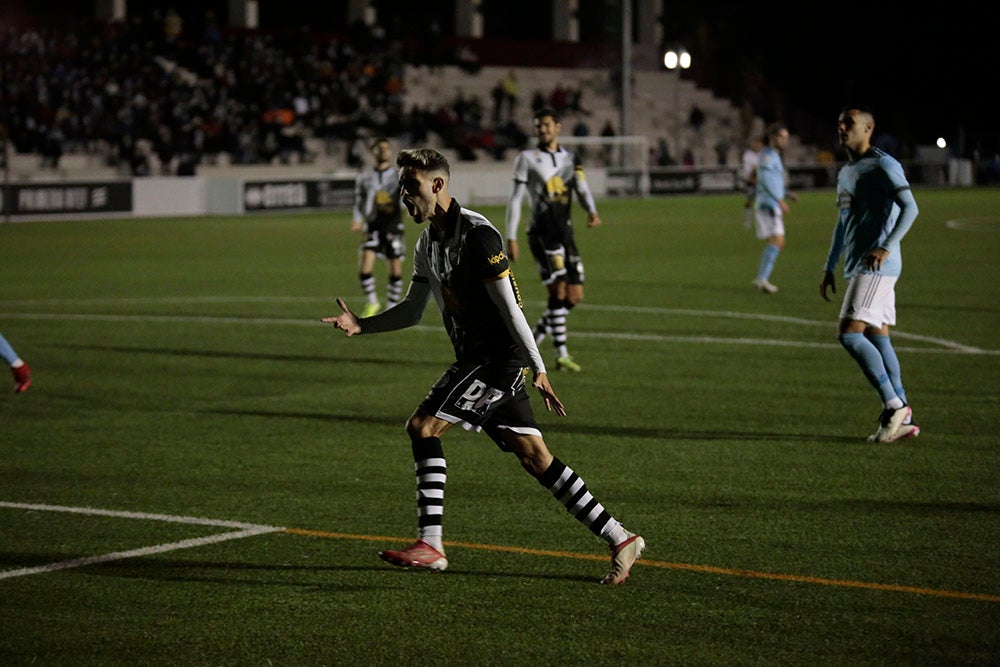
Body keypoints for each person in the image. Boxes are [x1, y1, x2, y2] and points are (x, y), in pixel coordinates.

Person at [322, 148, 644, 585]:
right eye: (401, 186)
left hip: (496, 361)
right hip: (479, 360)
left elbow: (511, 309)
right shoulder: (427, 243)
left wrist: (538, 367)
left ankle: (431, 543)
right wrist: (363, 324)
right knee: (535, 458)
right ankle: (620, 537)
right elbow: (414, 311)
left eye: (411, 186)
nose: (403, 196)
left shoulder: (479, 237)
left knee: (423, 427)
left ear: (437, 185)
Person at [821, 105, 920, 443]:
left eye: (848, 122)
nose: (841, 127)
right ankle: (904, 413)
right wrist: (829, 264)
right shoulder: (847, 172)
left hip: (876, 264)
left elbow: (912, 207)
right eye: (839, 122)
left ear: (868, 129)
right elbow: (842, 222)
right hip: (859, 264)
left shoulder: (884, 164)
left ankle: (893, 407)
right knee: (879, 337)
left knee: (849, 334)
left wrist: (887, 246)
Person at [504, 107, 602, 373]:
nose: (543, 130)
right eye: (538, 126)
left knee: (574, 296)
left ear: (558, 126)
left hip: (565, 233)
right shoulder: (527, 158)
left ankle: (531, 342)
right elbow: (515, 199)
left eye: (547, 125)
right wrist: (511, 235)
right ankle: (561, 355)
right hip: (542, 233)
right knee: (557, 291)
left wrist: (591, 210)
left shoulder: (571, 158)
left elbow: (581, 187)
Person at [350, 136, 405, 317]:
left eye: (386, 148)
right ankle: (372, 302)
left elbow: (407, 196)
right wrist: (357, 219)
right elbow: (359, 201)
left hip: (393, 226)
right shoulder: (364, 178)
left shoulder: (398, 176)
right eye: (380, 148)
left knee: (395, 268)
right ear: (373, 151)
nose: (383, 151)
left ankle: (391, 306)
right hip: (372, 226)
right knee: (365, 267)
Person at [751, 122, 797, 293]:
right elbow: (764, 179)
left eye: (787, 138)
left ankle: (761, 278)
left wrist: (786, 194)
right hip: (768, 204)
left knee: (775, 241)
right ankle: (762, 278)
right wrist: (779, 200)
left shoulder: (773, 155)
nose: (785, 141)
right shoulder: (768, 155)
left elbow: (774, 182)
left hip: (771, 202)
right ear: (773, 138)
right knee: (777, 240)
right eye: (782, 137)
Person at [740, 135, 764, 229]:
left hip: (763, 182)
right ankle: (747, 221)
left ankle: (762, 221)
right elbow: (749, 171)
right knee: (749, 201)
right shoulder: (748, 155)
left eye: (758, 143)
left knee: (763, 203)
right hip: (752, 181)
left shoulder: (764, 154)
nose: (756, 145)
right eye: (755, 142)